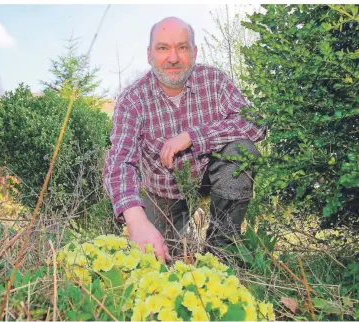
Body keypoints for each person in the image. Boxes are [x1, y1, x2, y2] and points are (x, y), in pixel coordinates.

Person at [103, 16, 265, 263]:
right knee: (166, 259)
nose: (173, 58)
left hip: (211, 177)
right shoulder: (132, 100)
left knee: (241, 150)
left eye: (182, 47)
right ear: (149, 55)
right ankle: (177, 243)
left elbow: (256, 123)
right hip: (164, 192)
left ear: (195, 51)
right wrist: (136, 220)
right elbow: (119, 163)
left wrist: (194, 136)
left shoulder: (214, 81)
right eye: (163, 48)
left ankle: (221, 248)